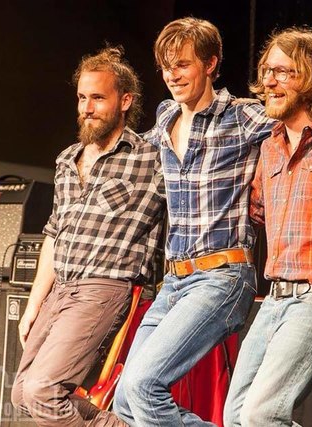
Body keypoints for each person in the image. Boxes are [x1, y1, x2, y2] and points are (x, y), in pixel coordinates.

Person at [112, 18, 275, 426]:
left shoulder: (242, 116)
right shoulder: (166, 118)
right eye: (166, 67)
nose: (172, 75)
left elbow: (308, 124)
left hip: (222, 275)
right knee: (125, 401)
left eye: (182, 64)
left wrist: (265, 183)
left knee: (144, 385)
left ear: (210, 64)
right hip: (173, 282)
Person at [10, 46, 166, 427]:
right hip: (60, 291)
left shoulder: (150, 158)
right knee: (22, 394)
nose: (87, 108)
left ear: (125, 101)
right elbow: (54, 233)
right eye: (82, 98)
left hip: (103, 287)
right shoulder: (67, 160)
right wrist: (34, 305)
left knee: (43, 391)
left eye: (98, 98)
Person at [222, 29, 312, 426]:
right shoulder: (270, 145)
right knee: (235, 414)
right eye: (266, 71)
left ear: (311, 76)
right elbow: (258, 211)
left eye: (282, 72)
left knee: (262, 414)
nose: (269, 82)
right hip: (275, 296)